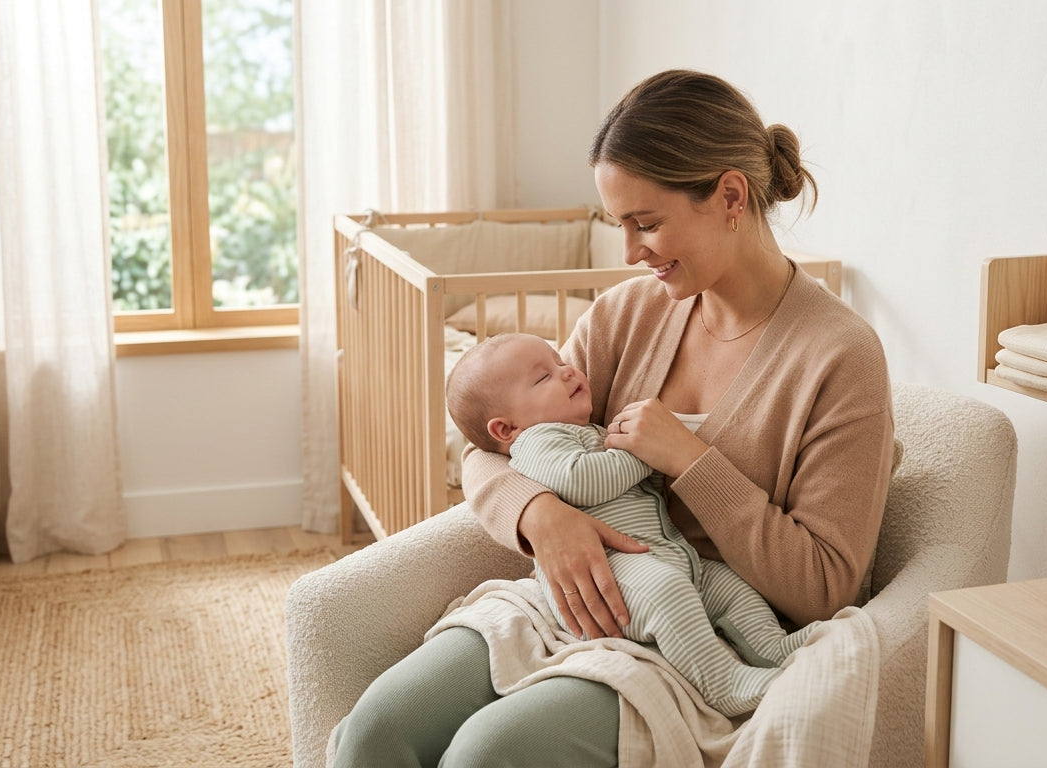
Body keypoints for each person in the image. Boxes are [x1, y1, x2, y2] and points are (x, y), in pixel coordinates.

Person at [331, 68, 895, 768]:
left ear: (730, 196)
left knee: (486, 755)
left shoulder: (840, 355)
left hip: (702, 639)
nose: (630, 253)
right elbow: (492, 444)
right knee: (373, 732)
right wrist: (541, 515)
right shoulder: (627, 315)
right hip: (569, 601)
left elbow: (826, 585)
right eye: (618, 226)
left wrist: (691, 461)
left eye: (646, 224)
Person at [444, 331, 818, 717]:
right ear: (506, 430)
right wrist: (645, 453)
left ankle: (772, 647)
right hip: (612, 574)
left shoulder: (586, 431)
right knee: (667, 594)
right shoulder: (537, 441)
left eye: (560, 362)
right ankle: (721, 682)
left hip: (668, 555)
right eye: (544, 377)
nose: (568, 371)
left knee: (731, 588)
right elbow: (582, 480)